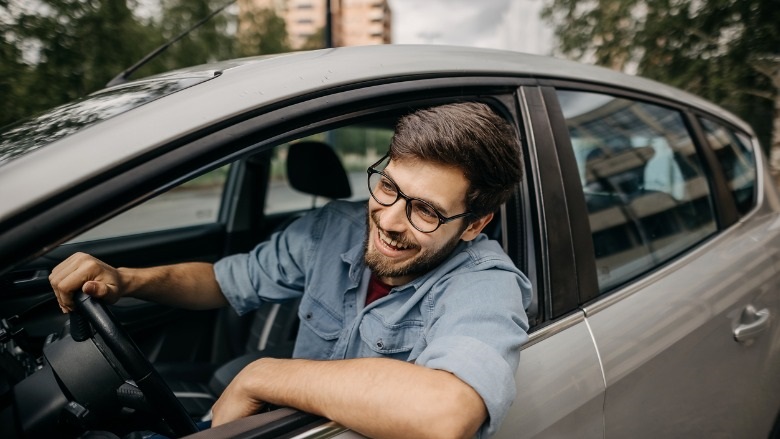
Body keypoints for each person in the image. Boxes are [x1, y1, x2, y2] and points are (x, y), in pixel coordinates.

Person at [49, 102, 532, 439]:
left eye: (425, 210)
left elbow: (446, 414)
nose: (387, 220)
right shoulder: (332, 228)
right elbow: (223, 281)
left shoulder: (485, 284)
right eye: (388, 186)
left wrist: (264, 375)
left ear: (475, 224)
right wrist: (127, 280)